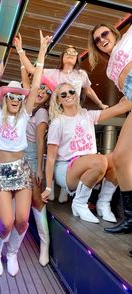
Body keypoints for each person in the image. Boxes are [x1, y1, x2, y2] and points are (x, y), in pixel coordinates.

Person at [0, 19, 51, 276]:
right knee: (6, 221)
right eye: (11, 96)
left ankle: (12, 253)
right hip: (1, 171)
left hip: (21, 169)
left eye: (19, 96)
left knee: (23, 220)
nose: (15, 99)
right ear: (5, 99)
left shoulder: (25, 114)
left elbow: (35, 85)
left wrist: (42, 52)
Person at [14, 33, 109, 204]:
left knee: (77, 151)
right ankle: (56, 185)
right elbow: (32, 71)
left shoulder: (81, 74)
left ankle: (68, 187)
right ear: (62, 57)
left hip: (77, 117)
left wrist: (101, 104)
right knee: (55, 152)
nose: (71, 54)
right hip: (59, 117)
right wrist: (20, 50)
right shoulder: (54, 73)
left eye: (74, 52)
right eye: (67, 52)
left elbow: (88, 90)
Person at [41, 82, 132, 225]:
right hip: (66, 170)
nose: (68, 96)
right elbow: (51, 158)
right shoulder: (58, 123)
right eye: (63, 94)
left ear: (76, 94)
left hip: (89, 164)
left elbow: (120, 108)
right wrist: (48, 187)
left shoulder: (88, 115)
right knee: (100, 160)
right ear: (58, 100)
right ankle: (79, 203)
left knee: (116, 159)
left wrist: (129, 94)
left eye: (71, 92)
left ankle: (103, 204)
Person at [88, 23, 132, 256]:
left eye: (104, 33)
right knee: (120, 158)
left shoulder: (128, 38)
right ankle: (130, 217)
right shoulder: (108, 70)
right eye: (96, 39)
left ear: (114, 33)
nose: (102, 39)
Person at [20, 66, 56, 266]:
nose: (41, 92)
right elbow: (26, 81)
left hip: (32, 156)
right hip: (16, 156)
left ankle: (44, 244)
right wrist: (18, 52)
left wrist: (40, 168)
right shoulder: (27, 105)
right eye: (39, 88)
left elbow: (41, 142)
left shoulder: (41, 112)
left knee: (36, 199)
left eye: (46, 91)